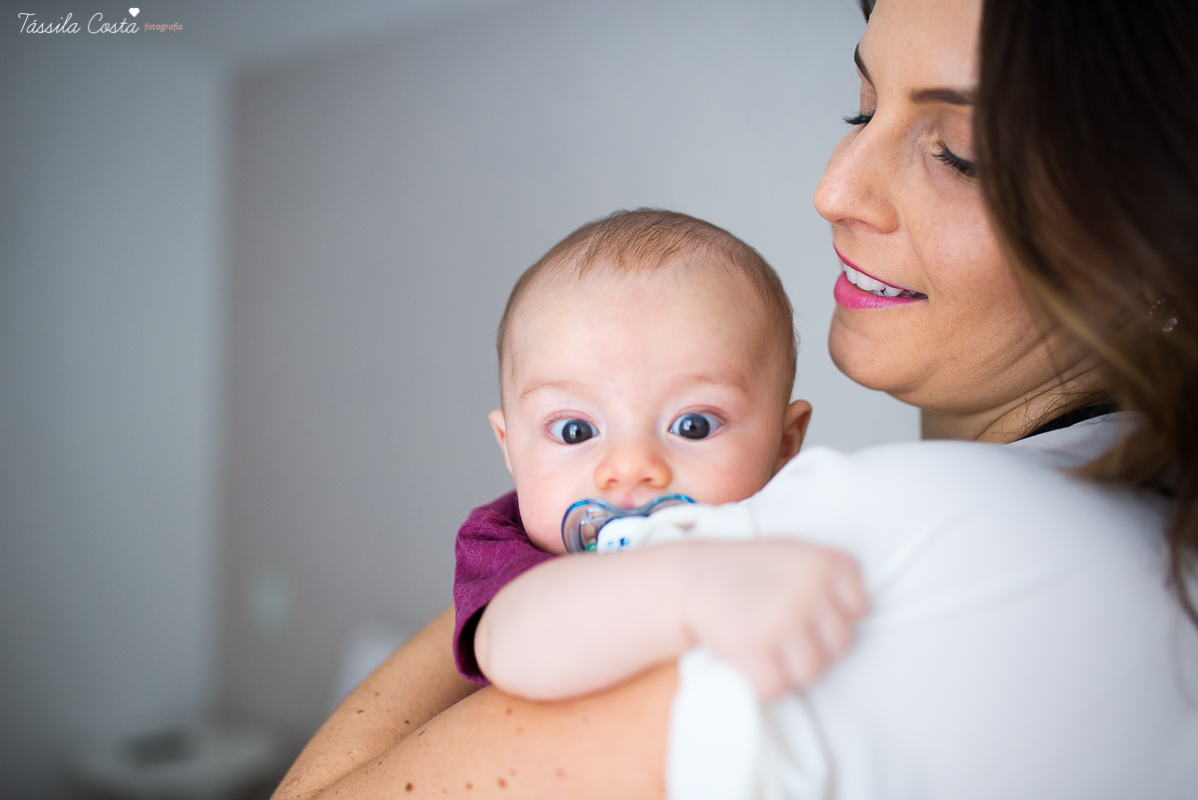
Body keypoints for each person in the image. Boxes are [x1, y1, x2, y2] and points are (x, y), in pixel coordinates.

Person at [273, 0, 1198, 797]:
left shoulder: (945, 533)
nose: (833, 190)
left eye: (959, 154)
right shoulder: (1134, 530)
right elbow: (514, 633)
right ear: (507, 443)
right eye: (861, 107)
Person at [455, 208, 868, 701]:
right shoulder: (509, 547)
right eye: (574, 431)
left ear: (784, 446)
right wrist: (690, 590)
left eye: (693, 426)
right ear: (510, 447)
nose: (630, 467)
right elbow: (514, 645)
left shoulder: (797, 524)